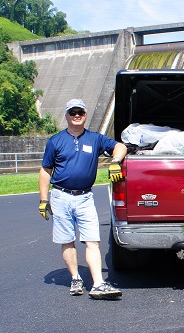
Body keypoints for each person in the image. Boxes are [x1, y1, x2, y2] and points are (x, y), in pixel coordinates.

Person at [38, 99, 127, 299]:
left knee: (92, 240)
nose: (77, 115)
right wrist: (43, 200)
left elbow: (120, 147)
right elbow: (45, 171)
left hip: (85, 197)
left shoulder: (95, 139)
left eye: (81, 112)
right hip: (61, 196)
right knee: (67, 240)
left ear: (85, 115)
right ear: (67, 115)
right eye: (73, 112)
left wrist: (115, 161)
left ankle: (98, 284)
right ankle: (76, 277)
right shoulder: (55, 141)